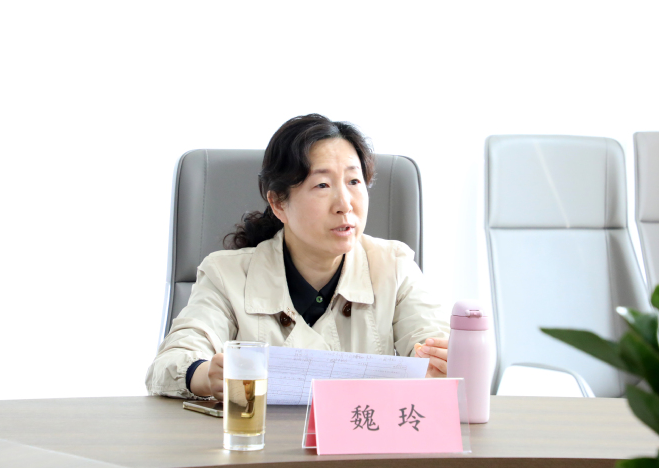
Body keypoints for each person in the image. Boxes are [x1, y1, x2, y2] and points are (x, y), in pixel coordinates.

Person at [146, 114, 450, 400]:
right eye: (322, 185)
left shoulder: (394, 266)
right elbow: (169, 363)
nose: (345, 204)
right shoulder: (226, 274)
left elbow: (435, 345)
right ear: (279, 203)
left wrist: (446, 361)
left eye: (354, 182)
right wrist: (204, 375)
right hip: (262, 437)